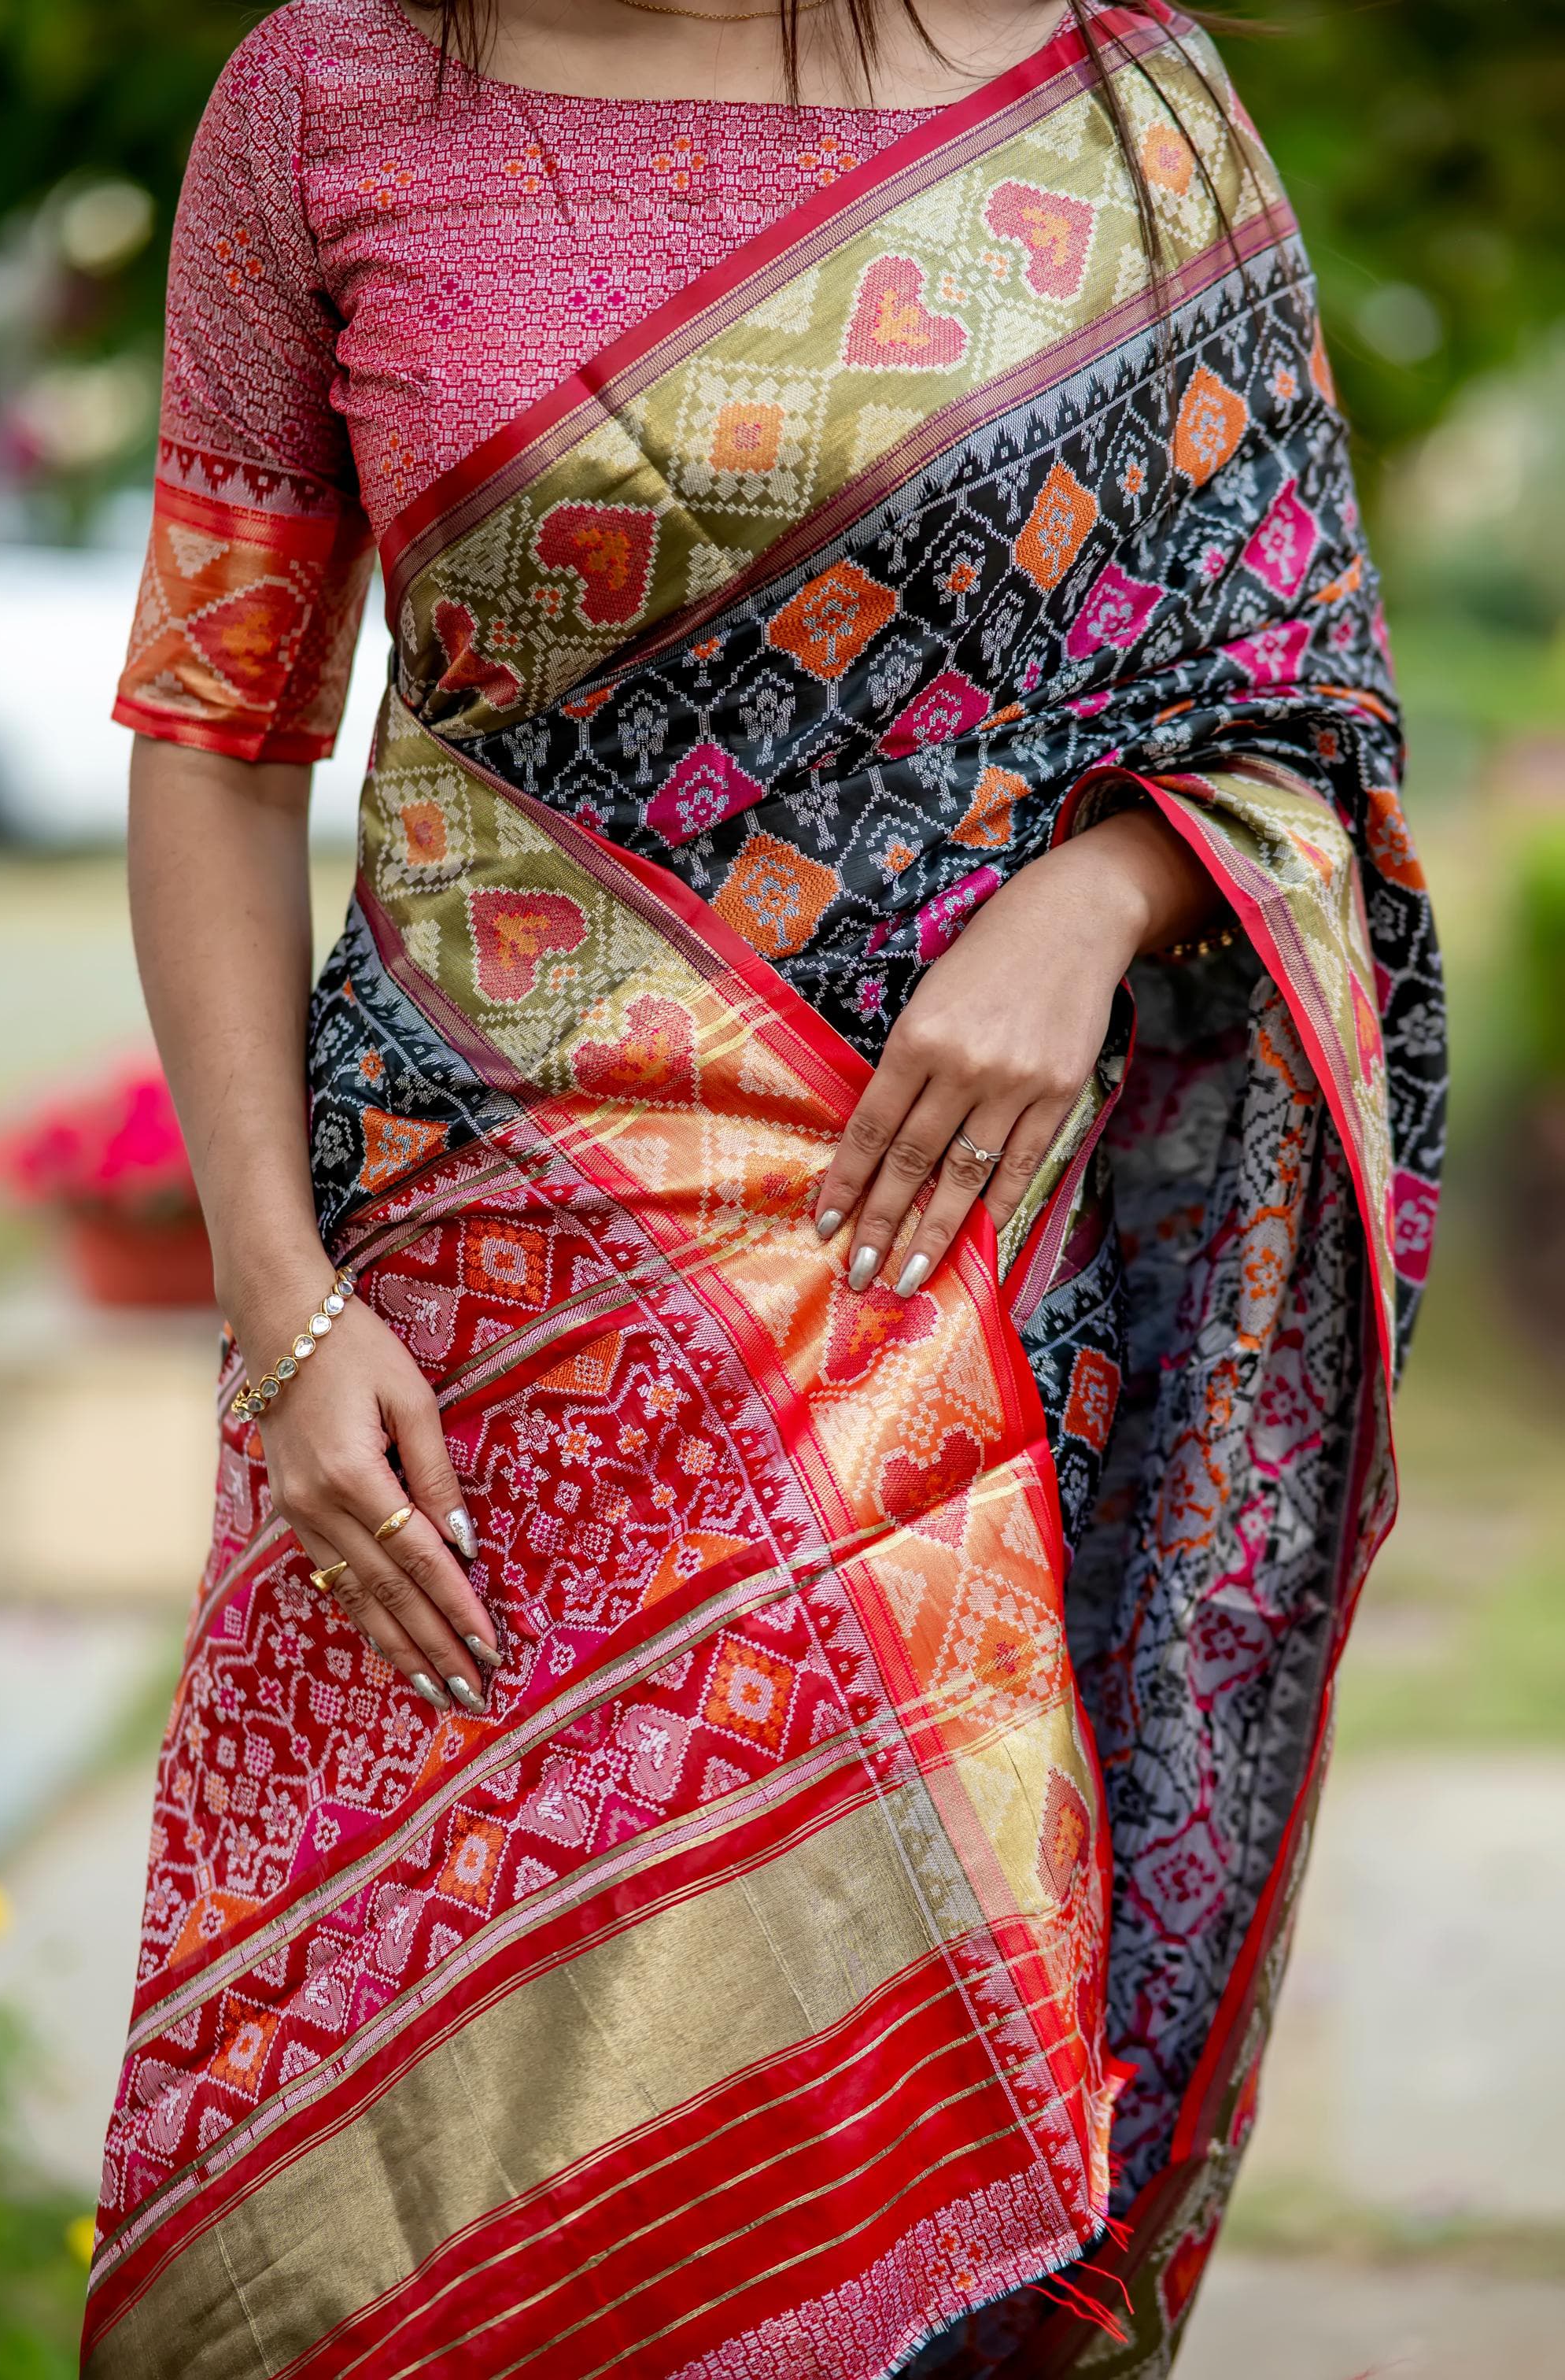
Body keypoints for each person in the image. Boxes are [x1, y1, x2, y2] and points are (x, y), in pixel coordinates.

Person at [84, 1, 1445, 2373]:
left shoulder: (1117, 95)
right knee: (440, 2139)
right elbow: (217, 731)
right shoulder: (329, 97)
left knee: (892, 2097)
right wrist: (278, 1306)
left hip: (944, 1301)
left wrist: (1108, 888)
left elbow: (1302, 713)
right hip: (455, 1331)